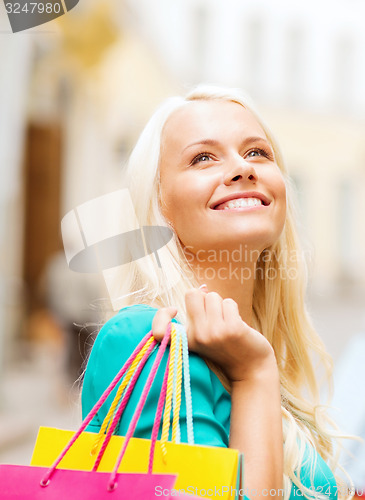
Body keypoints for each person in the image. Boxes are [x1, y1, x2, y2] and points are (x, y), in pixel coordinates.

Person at [81, 85, 352, 500]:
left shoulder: (254, 354)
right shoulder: (147, 344)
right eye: (202, 158)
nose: (243, 169)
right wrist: (254, 372)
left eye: (258, 152)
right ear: (159, 208)